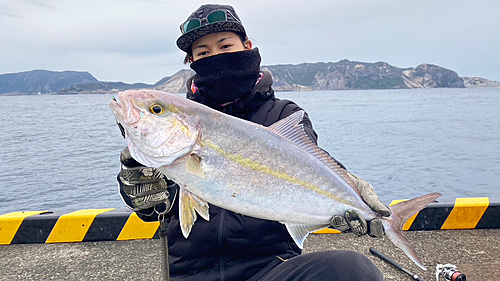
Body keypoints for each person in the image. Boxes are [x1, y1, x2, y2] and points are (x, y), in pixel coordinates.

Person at [118, 4, 391, 281]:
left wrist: (350, 191)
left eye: (225, 46)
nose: (216, 57)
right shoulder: (172, 142)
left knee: (351, 269)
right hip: (190, 273)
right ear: (192, 63)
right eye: (203, 53)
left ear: (247, 46)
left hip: (270, 269)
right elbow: (156, 211)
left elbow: (310, 161)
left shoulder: (283, 115)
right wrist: (141, 195)